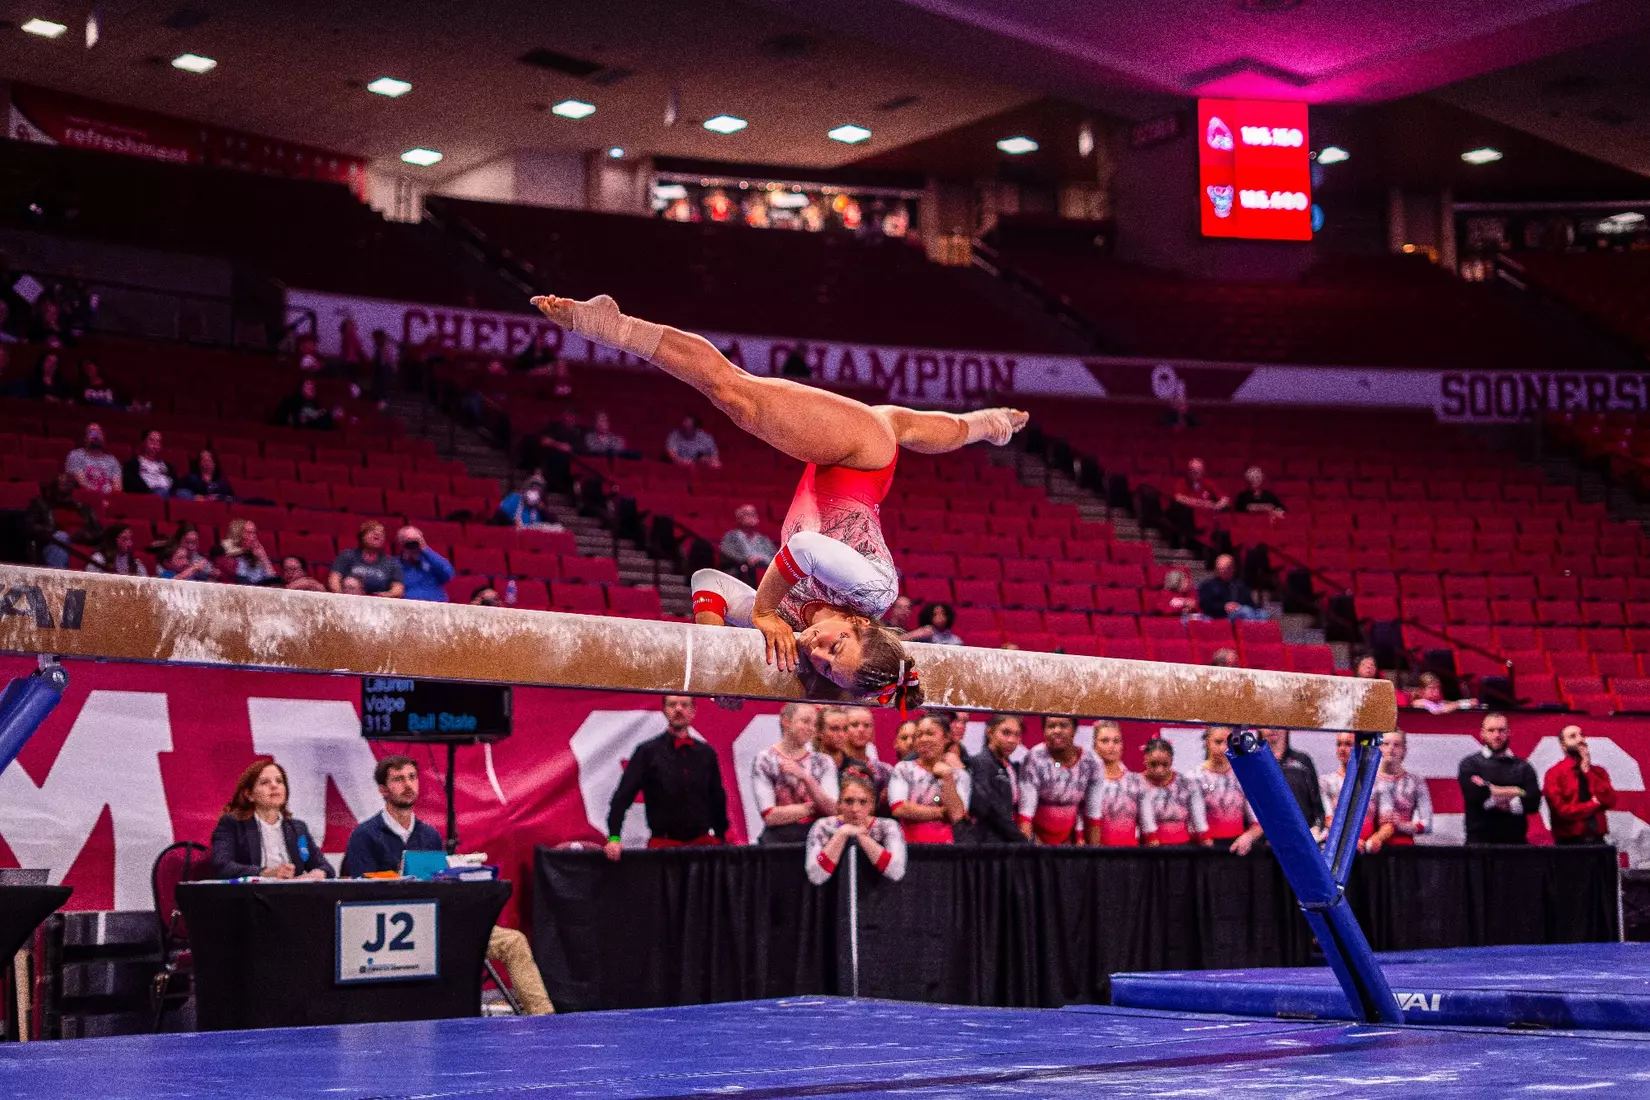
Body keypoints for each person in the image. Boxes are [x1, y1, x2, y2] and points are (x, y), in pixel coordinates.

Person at [535, 291, 1023, 707]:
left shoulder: (791, 621)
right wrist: (764, 613)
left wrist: (716, 652)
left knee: (903, 424)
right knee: (737, 397)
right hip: (858, 458)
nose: (820, 654)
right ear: (860, 624)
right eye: (840, 649)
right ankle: (610, 325)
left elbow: (710, 583)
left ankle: (987, 424)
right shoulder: (875, 593)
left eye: (828, 670)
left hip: (855, 463)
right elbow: (805, 548)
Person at [342, 755, 553, 1015]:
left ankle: (544, 1017)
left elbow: (440, 884)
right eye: (398, 779)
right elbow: (359, 890)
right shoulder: (364, 835)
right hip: (391, 933)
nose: (408, 785)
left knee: (514, 941)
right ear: (383, 790)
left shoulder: (429, 834)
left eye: (412, 777)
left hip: (441, 923)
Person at [603, 696, 731, 856]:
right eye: (672, 705)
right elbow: (623, 797)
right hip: (663, 849)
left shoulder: (707, 754)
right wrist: (614, 837)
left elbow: (717, 798)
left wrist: (721, 836)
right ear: (664, 710)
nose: (678, 709)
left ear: (693, 711)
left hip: (702, 850)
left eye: (684, 705)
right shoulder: (647, 752)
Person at [210, 759, 333, 880]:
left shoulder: (297, 828)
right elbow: (222, 866)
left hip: (293, 896)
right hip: (251, 896)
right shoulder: (233, 824)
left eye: (279, 781)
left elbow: (325, 867)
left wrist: (318, 873)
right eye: (264, 782)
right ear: (249, 795)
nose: (274, 785)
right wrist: (266, 872)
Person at [753, 702, 839, 844]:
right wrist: (814, 806)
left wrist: (805, 778)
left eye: (814, 724)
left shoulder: (823, 761)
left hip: (817, 841)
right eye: (805, 722)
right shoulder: (765, 759)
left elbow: (833, 810)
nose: (811, 729)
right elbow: (770, 815)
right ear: (786, 721)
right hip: (778, 843)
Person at [804, 773, 907, 885]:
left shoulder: (887, 826)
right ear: (839, 803)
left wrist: (861, 836)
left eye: (863, 802)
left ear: (872, 805)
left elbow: (896, 871)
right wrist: (842, 833)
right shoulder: (824, 826)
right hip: (833, 896)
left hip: (877, 897)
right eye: (849, 801)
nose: (855, 809)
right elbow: (815, 874)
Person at [1017, 715, 1101, 845]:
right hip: (1036, 840)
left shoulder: (1092, 762)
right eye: (1051, 726)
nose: (1056, 731)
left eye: (1063, 725)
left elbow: (1093, 816)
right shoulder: (1034, 759)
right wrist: (1026, 854)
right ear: (1043, 730)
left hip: (1069, 841)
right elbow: (1025, 815)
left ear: (1074, 729)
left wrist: (1094, 858)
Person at [1457, 712, 1539, 844]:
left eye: (1501, 730)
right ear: (1482, 733)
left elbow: (1533, 801)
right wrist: (1516, 791)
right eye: (1491, 730)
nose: (1496, 735)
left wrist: (1491, 791)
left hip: (1516, 844)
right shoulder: (1470, 764)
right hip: (1479, 844)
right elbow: (1475, 795)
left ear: (1508, 733)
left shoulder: (1523, 766)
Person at [888, 714, 970, 843]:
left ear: (946, 737)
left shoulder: (959, 775)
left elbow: (956, 815)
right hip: (908, 848)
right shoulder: (903, 769)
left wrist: (947, 777)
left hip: (947, 850)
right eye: (919, 735)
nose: (923, 739)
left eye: (930, 734)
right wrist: (942, 812)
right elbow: (899, 808)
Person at [1543, 724, 1616, 846]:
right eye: (1573, 736)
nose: (1580, 739)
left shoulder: (1598, 772)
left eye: (1581, 735)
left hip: (1598, 841)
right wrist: (1593, 805)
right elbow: (1562, 810)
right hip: (1569, 843)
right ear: (1563, 745)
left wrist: (1587, 771)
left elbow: (1610, 800)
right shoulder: (1554, 774)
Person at [962, 715, 1027, 845]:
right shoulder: (981, 763)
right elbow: (988, 808)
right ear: (990, 732)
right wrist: (1020, 839)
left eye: (1017, 735)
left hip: (1006, 841)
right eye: (1006, 733)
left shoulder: (1011, 767)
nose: (1011, 740)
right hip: (987, 845)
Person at [1198, 726, 1264, 855]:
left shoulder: (1243, 775)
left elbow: (1258, 820)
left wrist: (1248, 837)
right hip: (1205, 850)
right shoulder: (1195, 777)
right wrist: (1203, 839)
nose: (1223, 748)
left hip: (1237, 847)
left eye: (1228, 743)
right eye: (1217, 742)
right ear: (1207, 742)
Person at [1139, 738, 1209, 846]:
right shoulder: (1136, 783)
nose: (1159, 770)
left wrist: (1204, 836)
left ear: (1171, 760)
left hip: (1182, 847)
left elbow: (1197, 812)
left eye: (1165, 764)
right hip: (1148, 848)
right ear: (1145, 759)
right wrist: (1151, 836)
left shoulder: (1186, 784)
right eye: (1153, 764)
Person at [1370, 730, 1431, 850]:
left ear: (1404, 750)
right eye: (1386, 744)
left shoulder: (1415, 782)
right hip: (1372, 847)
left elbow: (1427, 825)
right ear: (1378, 747)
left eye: (1396, 745)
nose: (1391, 748)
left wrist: (1400, 825)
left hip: (1403, 850)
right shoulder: (1368, 781)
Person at [1090, 720, 1146, 847]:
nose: (1111, 746)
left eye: (1116, 741)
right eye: (1105, 741)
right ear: (1094, 745)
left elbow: (1146, 824)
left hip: (1131, 856)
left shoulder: (1135, 781)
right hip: (1095, 855)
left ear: (1122, 745)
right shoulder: (1087, 781)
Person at [1320, 731, 1377, 849]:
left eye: (1348, 744)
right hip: (1338, 847)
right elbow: (1328, 819)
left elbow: (1386, 822)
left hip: (1368, 847)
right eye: (1339, 744)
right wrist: (1351, 841)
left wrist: (1376, 839)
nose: (1342, 749)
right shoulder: (1326, 781)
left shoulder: (1375, 782)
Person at [1262, 728, 1324, 835]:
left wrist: (1316, 829)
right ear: (1258, 727)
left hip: (1303, 838)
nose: (1272, 729)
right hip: (1266, 842)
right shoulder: (1252, 764)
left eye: (1277, 722)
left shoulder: (1303, 762)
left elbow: (1318, 808)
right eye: (1266, 724)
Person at [329, 520, 405, 597]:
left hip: (378, 602)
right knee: (350, 582)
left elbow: (398, 588)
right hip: (350, 600)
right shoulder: (347, 555)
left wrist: (386, 595)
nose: (377, 534)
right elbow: (334, 579)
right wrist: (339, 597)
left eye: (381, 533)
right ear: (362, 536)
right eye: (372, 531)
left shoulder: (391, 563)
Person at [839, 705, 892, 812]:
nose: (861, 730)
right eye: (854, 725)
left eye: (867, 725)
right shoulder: (834, 765)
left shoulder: (884, 770)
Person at [718, 504, 777, 586]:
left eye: (754, 514)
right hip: (740, 571)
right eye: (748, 514)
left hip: (762, 571)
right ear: (739, 519)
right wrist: (747, 559)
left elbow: (773, 557)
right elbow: (727, 553)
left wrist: (761, 559)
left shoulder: (764, 540)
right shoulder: (731, 537)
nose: (752, 516)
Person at [1198, 555, 1265, 621]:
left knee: (1262, 614)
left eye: (1226, 568)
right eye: (1220, 568)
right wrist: (1224, 607)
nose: (1222, 571)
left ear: (1232, 569)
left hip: (1239, 613)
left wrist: (1237, 606)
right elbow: (1205, 605)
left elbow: (1251, 604)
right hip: (1220, 616)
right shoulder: (1208, 585)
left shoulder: (1239, 585)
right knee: (1245, 611)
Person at [396, 526, 454, 601]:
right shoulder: (395, 564)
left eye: (415, 541)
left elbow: (448, 574)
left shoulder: (432, 560)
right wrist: (405, 559)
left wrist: (425, 549)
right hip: (409, 606)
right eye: (407, 541)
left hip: (437, 605)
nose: (412, 545)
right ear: (400, 544)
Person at [64, 422, 121, 493]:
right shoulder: (76, 455)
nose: (96, 436)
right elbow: (83, 484)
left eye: (99, 433)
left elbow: (117, 488)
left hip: (108, 501)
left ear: (104, 438)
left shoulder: (112, 460)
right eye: (92, 433)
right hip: (84, 499)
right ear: (85, 438)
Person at [216, 519, 276, 585]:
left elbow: (272, 579)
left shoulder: (256, 555)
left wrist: (264, 559)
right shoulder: (225, 551)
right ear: (239, 534)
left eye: (254, 533)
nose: (253, 537)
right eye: (249, 532)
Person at [121, 429, 176, 497]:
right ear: (143, 443)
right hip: (147, 495)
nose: (155, 445)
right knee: (161, 492)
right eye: (152, 441)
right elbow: (130, 484)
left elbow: (176, 484)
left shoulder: (168, 466)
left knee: (184, 493)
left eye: (158, 442)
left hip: (169, 493)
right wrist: (148, 490)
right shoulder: (131, 465)